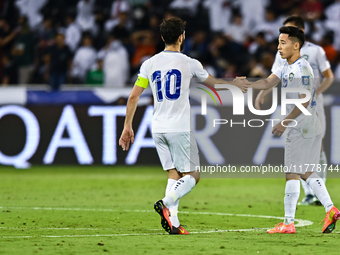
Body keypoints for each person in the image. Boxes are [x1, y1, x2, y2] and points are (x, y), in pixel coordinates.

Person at [119, 17, 248, 235]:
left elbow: (133, 97)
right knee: (193, 175)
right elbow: (214, 84)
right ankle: (166, 203)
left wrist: (127, 127)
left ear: (162, 38)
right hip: (179, 127)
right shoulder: (190, 63)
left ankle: (174, 224)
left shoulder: (149, 64)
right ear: (182, 37)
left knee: (174, 174)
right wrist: (234, 83)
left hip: (158, 127)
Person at [250, 26, 339, 234]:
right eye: (279, 42)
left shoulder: (302, 68)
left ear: (296, 45)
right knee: (308, 171)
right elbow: (268, 82)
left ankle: (288, 223)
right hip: (310, 125)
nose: (279, 47)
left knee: (291, 173)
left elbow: (305, 100)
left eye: (283, 43)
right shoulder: (285, 65)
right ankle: (331, 208)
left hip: (301, 125)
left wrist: (285, 122)